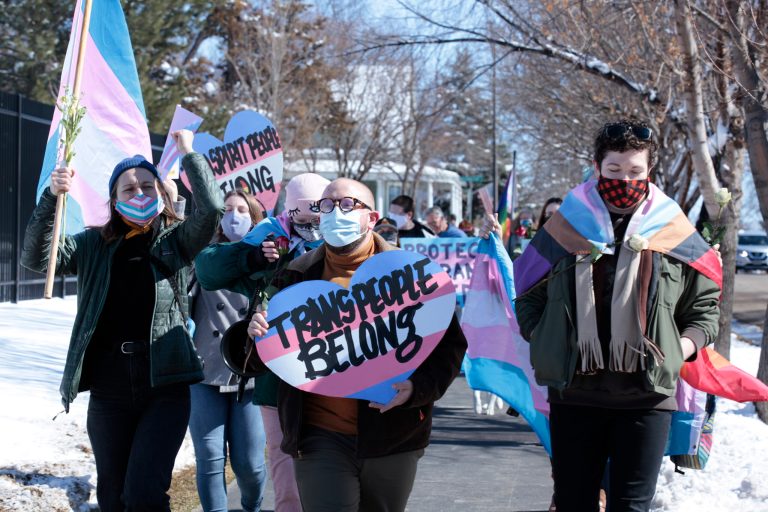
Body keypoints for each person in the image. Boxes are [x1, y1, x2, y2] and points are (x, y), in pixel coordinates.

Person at [483, 120, 720, 512]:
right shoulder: (565, 226)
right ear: (597, 168)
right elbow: (525, 290)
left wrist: (682, 345)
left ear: (649, 172)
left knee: (631, 506)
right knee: (575, 503)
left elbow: (705, 306)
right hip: (575, 394)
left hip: (647, 397)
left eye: (634, 172)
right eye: (614, 171)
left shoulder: (674, 231)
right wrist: (543, 335)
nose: (624, 180)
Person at [21, 130, 223, 511]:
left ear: (162, 195)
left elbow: (211, 209)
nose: (140, 194)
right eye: (129, 190)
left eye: (148, 186)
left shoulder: (176, 240)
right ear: (114, 201)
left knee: (144, 495)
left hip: (164, 383)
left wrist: (188, 153)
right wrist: (52, 196)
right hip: (109, 387)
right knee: (112, 498)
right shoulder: (93, 244)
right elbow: (37, 259)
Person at [247, 178, 468, 512]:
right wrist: (256, 333)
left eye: (348, 205)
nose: (336, 212)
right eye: (327, 205)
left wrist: (416, 389)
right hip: (317, 434)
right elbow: (267, 356)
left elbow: (450, 348)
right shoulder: (295, 275)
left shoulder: (412, 274)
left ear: (372, 218)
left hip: (394, 434)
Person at [195, 172, 331, 512]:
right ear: (290, 212)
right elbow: (208, 271)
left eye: (321, 216)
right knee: (285, 486)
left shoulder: (346, 241)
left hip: (333, 378)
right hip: (275, 380)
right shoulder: (271, 237)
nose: (314, 226)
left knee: (331, 479)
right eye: (305, 217)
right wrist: (252, 257)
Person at [188, 189, 267, 512]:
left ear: (254, 217)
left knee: (248, 462)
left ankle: (252, 506)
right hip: (205, 368)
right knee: (209, 457)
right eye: (229, 209)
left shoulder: (267, 258)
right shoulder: (204, 256)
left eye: (242, 210)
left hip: (251, 373)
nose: (235, 215)